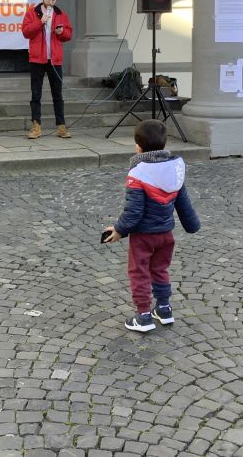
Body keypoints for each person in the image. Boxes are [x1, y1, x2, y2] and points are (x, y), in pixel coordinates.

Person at [103, 119, 201, 332]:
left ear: (138, 146)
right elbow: (184, 203)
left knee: (139, 272)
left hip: (143, 236)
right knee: (160, 269)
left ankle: (143, 315)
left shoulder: (138, 173)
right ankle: (164, 309)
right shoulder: (175, 170)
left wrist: (119, 230)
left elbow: (133, 211)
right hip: (166, 234)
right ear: (164, 145)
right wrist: (192, 225)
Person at [21, 0, 73, 139]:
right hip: (37, 59)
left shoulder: (61, 14)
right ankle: (36, 127)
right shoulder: (32, 13)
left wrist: (61, 31)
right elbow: (26, 32)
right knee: (36, 94)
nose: (51, 2)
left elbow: (68, 34)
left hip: (55, 60)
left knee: (58, 94)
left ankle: (61, 127)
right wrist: (40, 22)